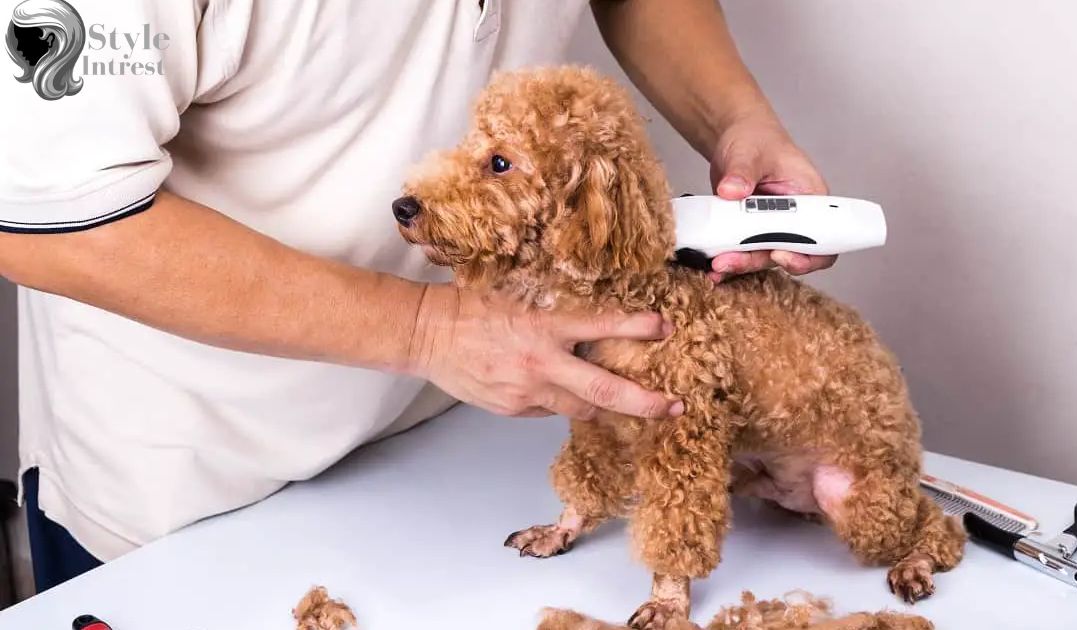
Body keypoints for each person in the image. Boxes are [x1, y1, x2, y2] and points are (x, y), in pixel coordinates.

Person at [0, 0, 833, 593]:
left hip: (444, 447)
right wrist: (428, 327)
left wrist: (735, 120)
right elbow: (47, 223)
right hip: (191, 489)